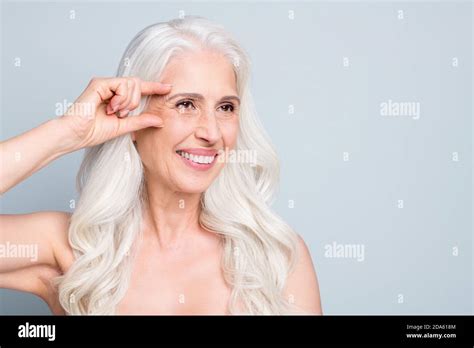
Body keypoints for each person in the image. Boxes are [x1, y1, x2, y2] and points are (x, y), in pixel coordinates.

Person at [0, 16, 322, 315]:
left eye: (225, 107)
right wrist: (68, 132)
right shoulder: (76, 249)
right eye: (186, 104)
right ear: (134, 122)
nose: (211, 132)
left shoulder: (278, 259)